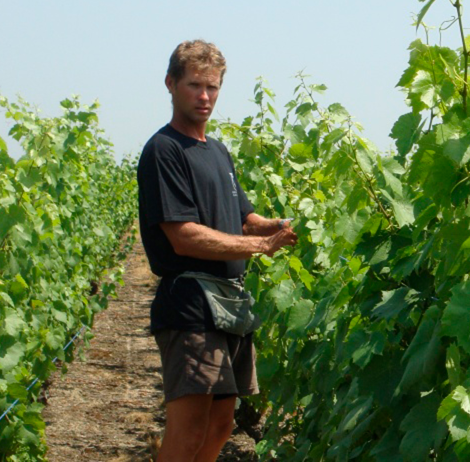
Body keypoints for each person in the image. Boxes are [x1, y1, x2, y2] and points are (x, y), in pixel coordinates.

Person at [137, 39, 297, 462]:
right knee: (188, 431)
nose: (204, 97)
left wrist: (278, 226)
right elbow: (183, 234)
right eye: (194, 86)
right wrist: (261, 246)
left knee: (222, 425)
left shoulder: (218, 151)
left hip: (229, 306)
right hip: (190, 304)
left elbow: (244, 216)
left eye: (213, 87)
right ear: (170, 84)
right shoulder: (164, 150)